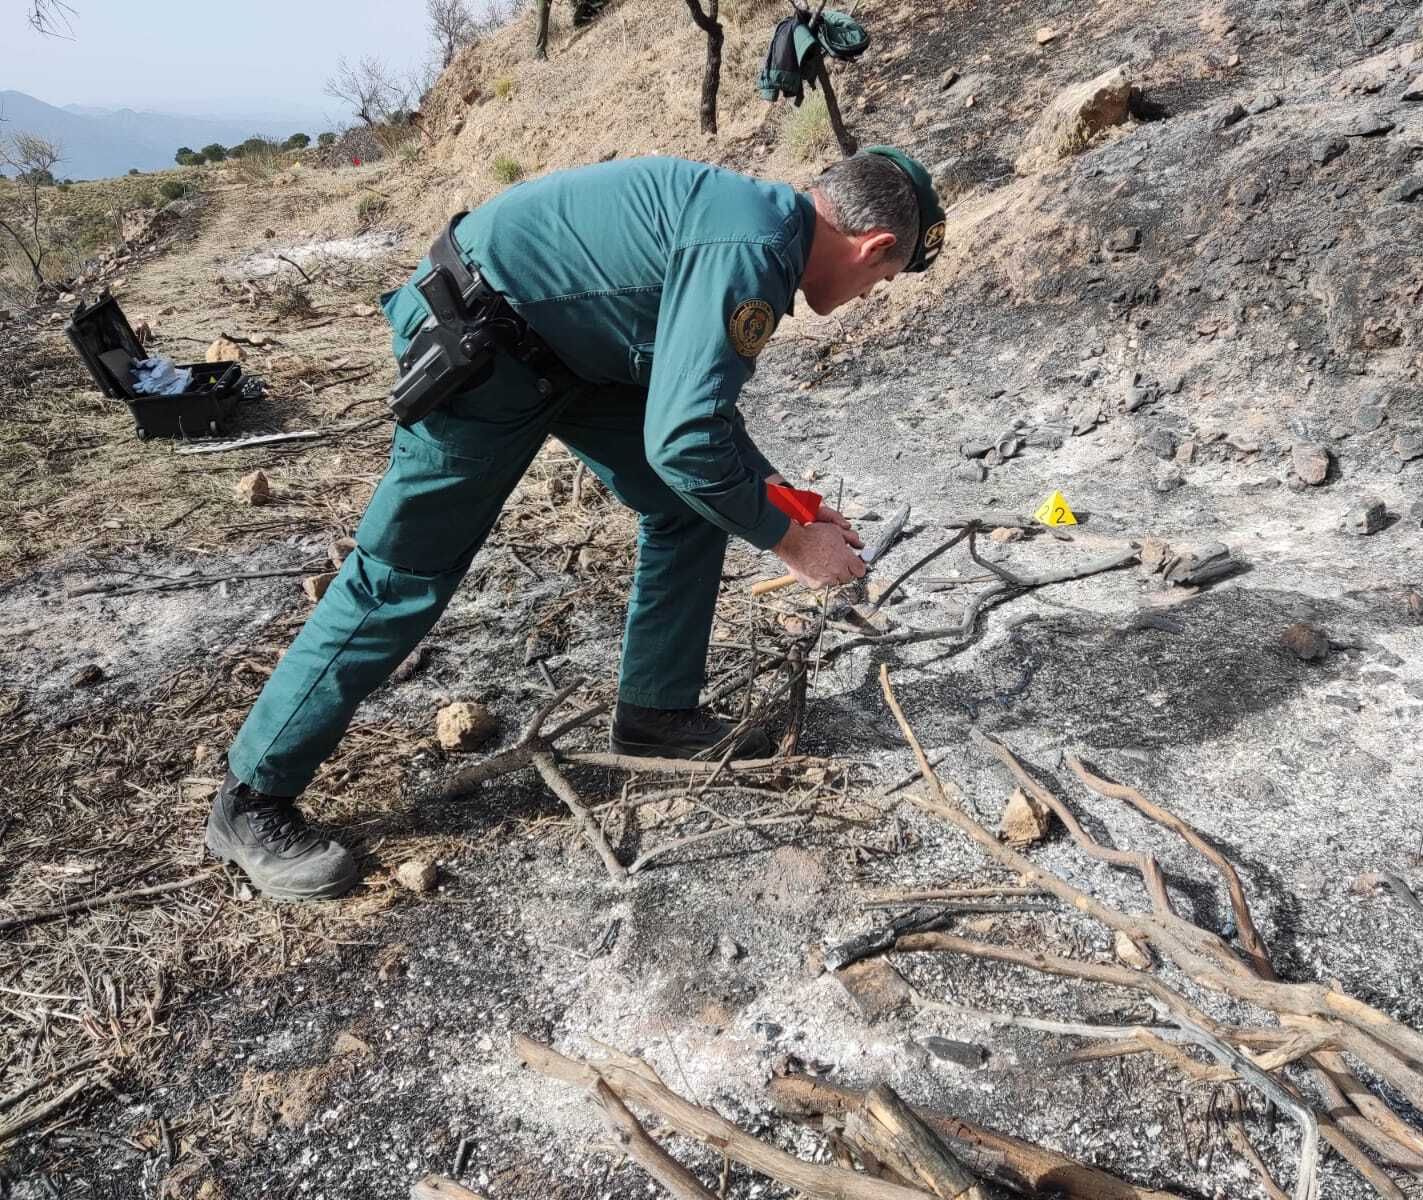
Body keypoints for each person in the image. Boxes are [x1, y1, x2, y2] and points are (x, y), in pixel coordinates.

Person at [205, 148, 946, 901]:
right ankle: (251, 799)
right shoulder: (751, 252)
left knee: (685, 506)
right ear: (874, 246)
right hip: (486, 342)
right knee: (402, 574)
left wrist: (787, 500)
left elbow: (697, 416)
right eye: (879, 281)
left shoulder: (760, 227)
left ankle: (656, 715)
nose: (865, 293)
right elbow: (684, 438)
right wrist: (793, 545)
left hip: (564, 350)